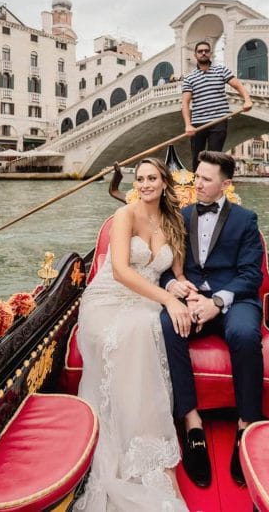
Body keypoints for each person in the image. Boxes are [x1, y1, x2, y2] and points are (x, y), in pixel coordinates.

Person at [74, 158, 191, 511]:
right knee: (140, 329)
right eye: (139, 179)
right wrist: (169, 299)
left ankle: (148, 445)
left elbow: (177, 274)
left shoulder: (173, 222)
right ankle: (130, 443)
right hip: (107, 298)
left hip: (146, 300)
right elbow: (123, 272)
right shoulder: (125, 216)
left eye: (152, 178)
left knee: (147, 325)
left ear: (164, 182)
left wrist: (189, 293)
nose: (144, 184)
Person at [159, 151, 265, 488]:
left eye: (206, 179)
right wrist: (180, 291)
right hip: (191, 298)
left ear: (226, 183)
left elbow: (251, 275)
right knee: (166, 324)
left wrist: (216, 302)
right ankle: (192, 423)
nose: (197, 183)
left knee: (246, 335)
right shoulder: (181, 216)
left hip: (234, 299)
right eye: (197, 176)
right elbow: (164, 268)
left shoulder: (246, 219)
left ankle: (246, 424)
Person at [181, 41, 253, 171]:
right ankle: (197, 185)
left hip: (218, 120)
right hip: (198, 123)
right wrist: (188, 124)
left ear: (210, 53)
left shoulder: (221, 70)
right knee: (197, 158)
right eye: (200, 51)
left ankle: (212, 185)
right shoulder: (189, 78)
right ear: (195, 54)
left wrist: (247, 100)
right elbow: (185, 103)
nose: (203, 53)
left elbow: (238, 85)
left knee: (214, 157)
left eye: (206, 51)